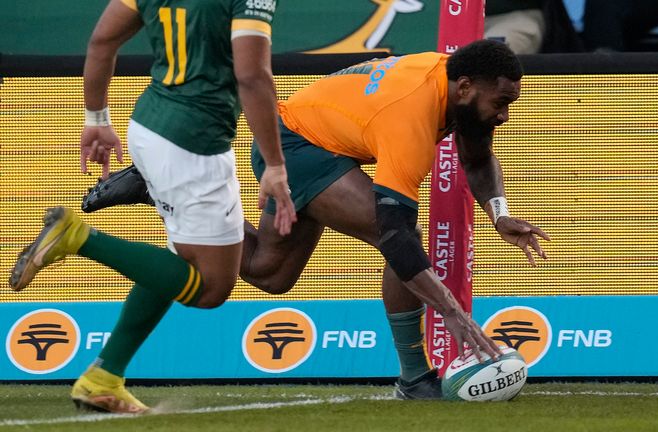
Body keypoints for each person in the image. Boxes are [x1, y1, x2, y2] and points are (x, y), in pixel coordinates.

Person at [80, 39, 551, 400]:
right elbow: (394, 233)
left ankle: (158, 187)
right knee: (401, 239)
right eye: (501, 103)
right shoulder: (410, 114)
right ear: (465, 88)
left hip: (317, 136)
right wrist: (453, 314)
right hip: (298, 147)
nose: (504, 115)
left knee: (270, 272)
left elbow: (477, 152)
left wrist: (500, 212)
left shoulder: (456, 81)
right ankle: (414, 377)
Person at [9, 0, 295, 414]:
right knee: (211, 287)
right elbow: (251, 74)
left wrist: (96, 117)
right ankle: (77, 236)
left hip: (149, 126)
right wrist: (274, 164)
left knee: (180, 261)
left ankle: (103, 377)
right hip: (194, 143)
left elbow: (102, 40)